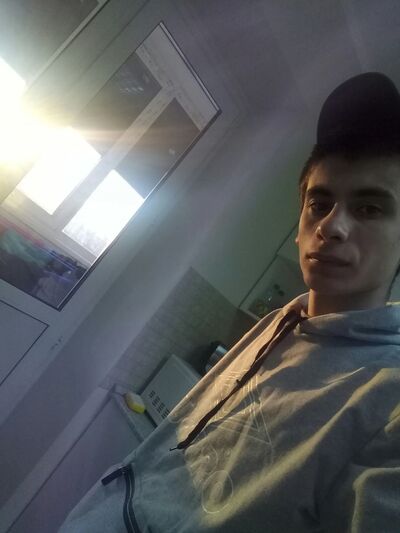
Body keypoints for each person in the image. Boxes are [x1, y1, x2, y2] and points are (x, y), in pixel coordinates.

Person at [59, 72, 400, 532]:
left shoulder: (388, 396)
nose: (331, 226)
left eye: (369, 209)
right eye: (319, 204)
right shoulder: (284, 320)